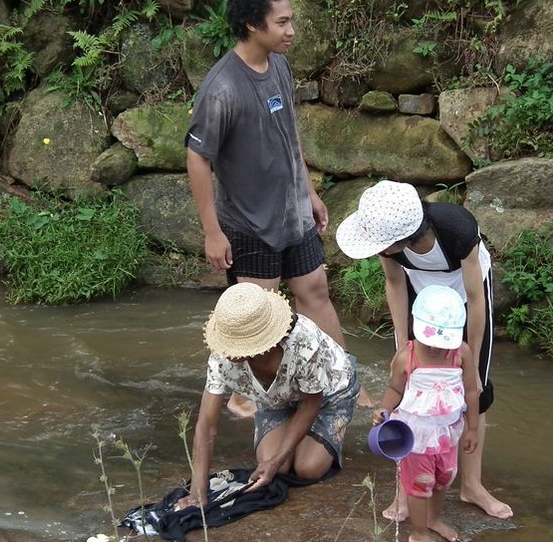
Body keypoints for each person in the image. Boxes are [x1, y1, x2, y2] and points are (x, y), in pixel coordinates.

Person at [184, 0, 371, 415]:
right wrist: (212, 232)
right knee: (257, 320)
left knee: (316, 293)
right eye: (283, 22)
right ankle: (240, 399)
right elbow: (197, 159)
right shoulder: (222, 89)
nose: (292, 31)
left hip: (293, 218)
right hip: (249, 225)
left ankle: (345, 384)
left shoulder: (280, 67)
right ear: (253, 25)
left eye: (291, 21)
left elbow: (290, 136)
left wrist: (309, 192)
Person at [336, 180, 513, 520]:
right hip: (421, 297)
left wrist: (472, 363)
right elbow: (395, 283)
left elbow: (476, 301)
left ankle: (471, 485)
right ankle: (405, 493)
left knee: (475, 388)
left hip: (464, 299)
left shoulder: (457, 229)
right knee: (408, 386)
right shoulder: (390, 249)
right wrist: (403, 347)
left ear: (401, 238)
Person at [176, 283, 361, 509]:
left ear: (261, 346)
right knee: (277, 469)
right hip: (276, 400)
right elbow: (206, 424)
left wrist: (275, 461)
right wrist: (198, 490)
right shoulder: (221, 359)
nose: (227, 352)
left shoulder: (303, 342)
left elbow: (311, 404)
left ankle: (325, 435)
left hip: (330, 394)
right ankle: (294, 442)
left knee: (307, 469)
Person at [373, 285, 480, 542]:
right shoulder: (406, 357)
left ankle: (432, 519)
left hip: (447, 432)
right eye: (429, 341)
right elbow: (395, 388)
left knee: (445, 478)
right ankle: (419, 533)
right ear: (414, 326)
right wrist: (384, 409)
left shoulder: (460, 353)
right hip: (415, 435)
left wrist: (473, 428)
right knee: (420, 484)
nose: (434, 348)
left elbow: (471, 392)